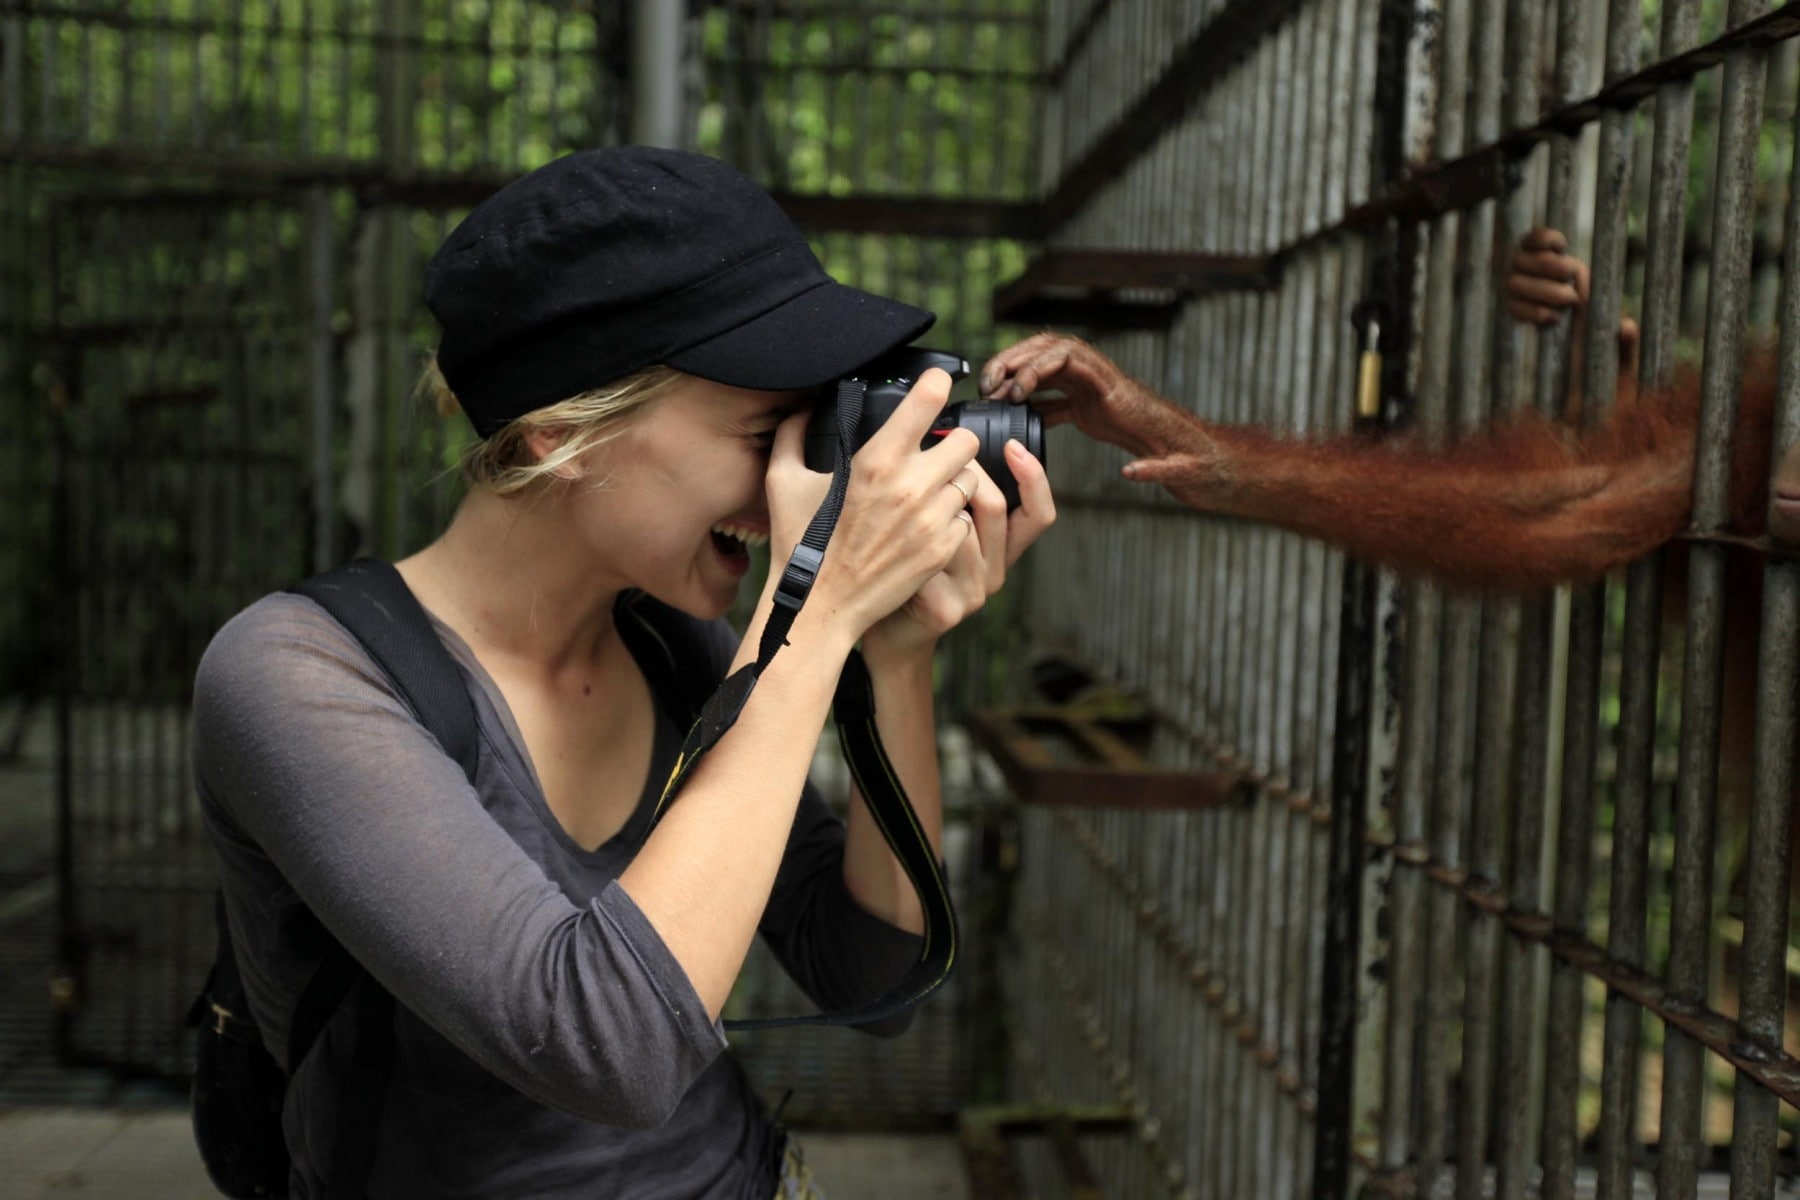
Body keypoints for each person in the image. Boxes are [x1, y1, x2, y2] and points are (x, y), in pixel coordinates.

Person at [192, 146, 1055, 1199]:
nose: (805, 470)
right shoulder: (298, 676)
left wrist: (894, 651)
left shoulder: (672, 649)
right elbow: (609, 1046)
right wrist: (816, 616)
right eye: (762, 431)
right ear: (567, 438)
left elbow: (875, 976)